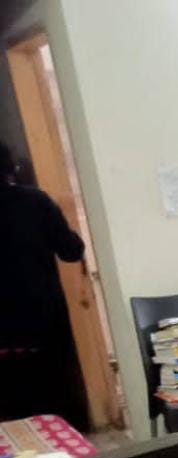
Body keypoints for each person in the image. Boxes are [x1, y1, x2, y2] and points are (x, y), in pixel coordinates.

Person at [0, 139, 89, 429]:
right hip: (40, 316)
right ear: (11, 167)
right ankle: (62, 446)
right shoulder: (35, 201)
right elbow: (71, 251)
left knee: (9, 403)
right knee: (51, 393)